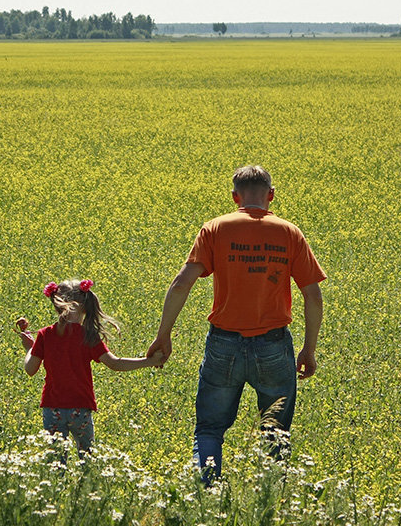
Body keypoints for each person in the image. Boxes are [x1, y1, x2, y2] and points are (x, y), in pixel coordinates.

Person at [147, 166, 326, 483]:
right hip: (273, 346)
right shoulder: (289, 233)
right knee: (276, 433)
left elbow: (180, 284)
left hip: (223, 345)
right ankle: (271, 499)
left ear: (235, 197)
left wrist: (164, 335)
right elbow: (313, 296)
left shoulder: (215, 229)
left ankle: (207, 493)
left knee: (210, 427)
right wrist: (308, 350)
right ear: (271, 195)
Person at [17, 278, 163, 455]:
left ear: (56, 306)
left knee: (55, 463)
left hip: (52, 409)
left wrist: (29, 348)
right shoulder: (88, 336)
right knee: (87, 458)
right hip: (80, 409)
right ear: (85, 307)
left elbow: (30, 369)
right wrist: (150, 361)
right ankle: (86, 483)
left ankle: (59, 483)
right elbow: (115, 363)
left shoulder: (45, 335)